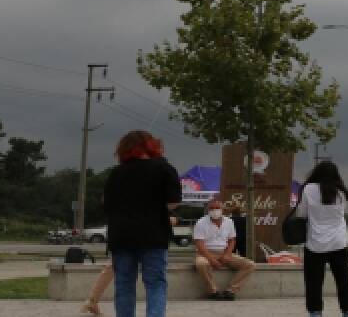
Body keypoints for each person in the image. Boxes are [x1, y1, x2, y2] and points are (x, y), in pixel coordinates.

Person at [103, 130, 181, 317]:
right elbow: (173, 203)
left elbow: (106, 203)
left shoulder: (116, 173)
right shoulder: (164, 168)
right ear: (153, 146)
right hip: (153, 235)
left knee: (124, 284)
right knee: (155, 283)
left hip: (121, 236)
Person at [294, 161, 348, 317]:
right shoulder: (341, 192)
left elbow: (301, 214)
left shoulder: (308, 189)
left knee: (314, 282)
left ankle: (315, 313)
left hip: (315, 243)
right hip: (338, 242)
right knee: (343, 281)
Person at [82, 216, 178, 315]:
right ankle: (92, 300)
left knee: (116, 273)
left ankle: (92, 299)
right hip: (148, 236)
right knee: (154, 283)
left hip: (127, 235)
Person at [193, 198, 256, 300]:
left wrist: (227, 254)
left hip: (224, 252)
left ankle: (231, 291)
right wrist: (212, 259)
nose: (214, 210)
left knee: (250, 265)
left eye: (217, 208)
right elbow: (199, 244)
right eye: (212, 208)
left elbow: (232, 240)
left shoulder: (229, 221)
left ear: (222, 209)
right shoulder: (201, 222)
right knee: (201, 264)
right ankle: (213, 291)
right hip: (205, 253)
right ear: (208, 210)